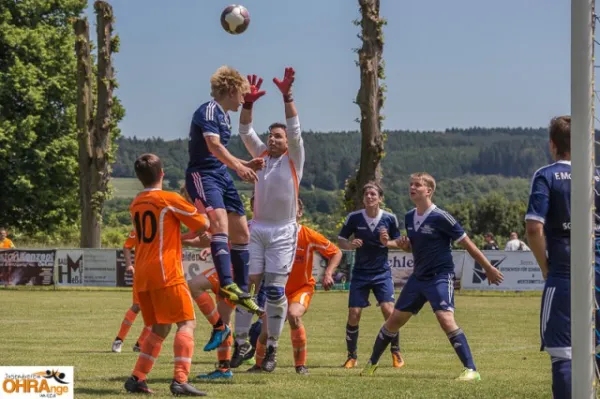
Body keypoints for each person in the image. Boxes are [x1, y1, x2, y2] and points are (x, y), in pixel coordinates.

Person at [361, 172, 504, 381]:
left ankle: (471, 370)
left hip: (440, 276)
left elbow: (468, 244)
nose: (412, 187)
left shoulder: (441, 217)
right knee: (394, 321)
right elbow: (412, 247)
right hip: (418, 277)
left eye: (417, 185)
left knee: (445, 318)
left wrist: (488, 268)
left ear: (428, 191)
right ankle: (371, 364)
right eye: (411, 184)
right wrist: (398, 245)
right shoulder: (410, 216)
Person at [525, 116, 600, 398]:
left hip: (566, 269)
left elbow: (534, 228)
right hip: (597, 265)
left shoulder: (547, 175)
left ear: (552, 144)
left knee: (563, 353)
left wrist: (546, 267)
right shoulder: (597, 175)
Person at [236, 67, 305, 372]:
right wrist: (247, 104)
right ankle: (240, 343)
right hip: (257, 229)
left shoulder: (294, 160)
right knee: (245, 285)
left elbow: (295, 129)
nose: (273, 139)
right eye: (271, 135)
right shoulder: (261, 156)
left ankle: (272, 350)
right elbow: (244, 132)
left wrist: (287, 96)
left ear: (288, 142)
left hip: (282, 232)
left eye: (278, 136)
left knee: (275, 292)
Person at [124, 153, 210, 396]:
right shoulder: (169, 199)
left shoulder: (136, 202)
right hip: (166, 272)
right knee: (187, 322)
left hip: (143, 274)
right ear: (162, 173)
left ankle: (137, 378)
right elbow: (202, 224)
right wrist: (202, 204)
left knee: (159, 328)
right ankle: (180, 380)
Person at [184, 65, 264, 314]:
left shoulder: (225, 116)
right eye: (241, 94)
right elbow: (214, 147)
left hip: (221, 175)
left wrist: (243, 163)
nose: (242, 99)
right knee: (219, 223)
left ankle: (240, 290)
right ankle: (227, 284)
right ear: (230, 90)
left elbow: (223, 154)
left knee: (241, 233)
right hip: (203, 175)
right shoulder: (208, 110)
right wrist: (240, 168)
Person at [241, 198, 343, 375]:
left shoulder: (308, 235)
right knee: (265, 330)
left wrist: (328, 273)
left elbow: (336, 252)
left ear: (300, 213)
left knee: (294, 315)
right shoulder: (274, 236)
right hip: (277, 290)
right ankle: (258, 365)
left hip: (300, 289)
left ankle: (300, 365)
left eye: (293, 209)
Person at [337, 182, 405, 370]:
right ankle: (352, 356)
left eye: (373, 194)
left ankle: (396, 352)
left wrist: (387, 241)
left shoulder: (390, 219)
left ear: (380, 198)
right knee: (354, 314)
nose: (369, 197)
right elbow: (341, 239)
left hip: (382, 273)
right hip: (360, 273)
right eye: (366, 194)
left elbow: (398, 242)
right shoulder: (354, 218)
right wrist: (350, 245)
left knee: (389, 311)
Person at [111, 231, 152, 353]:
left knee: (156, 311)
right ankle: (119, 340)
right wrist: (129, 264)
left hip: (159, 273)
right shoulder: (139, 228)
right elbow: (127, 246)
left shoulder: (165, 227)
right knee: (137, 306)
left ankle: (140, 344)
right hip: (141, 272)